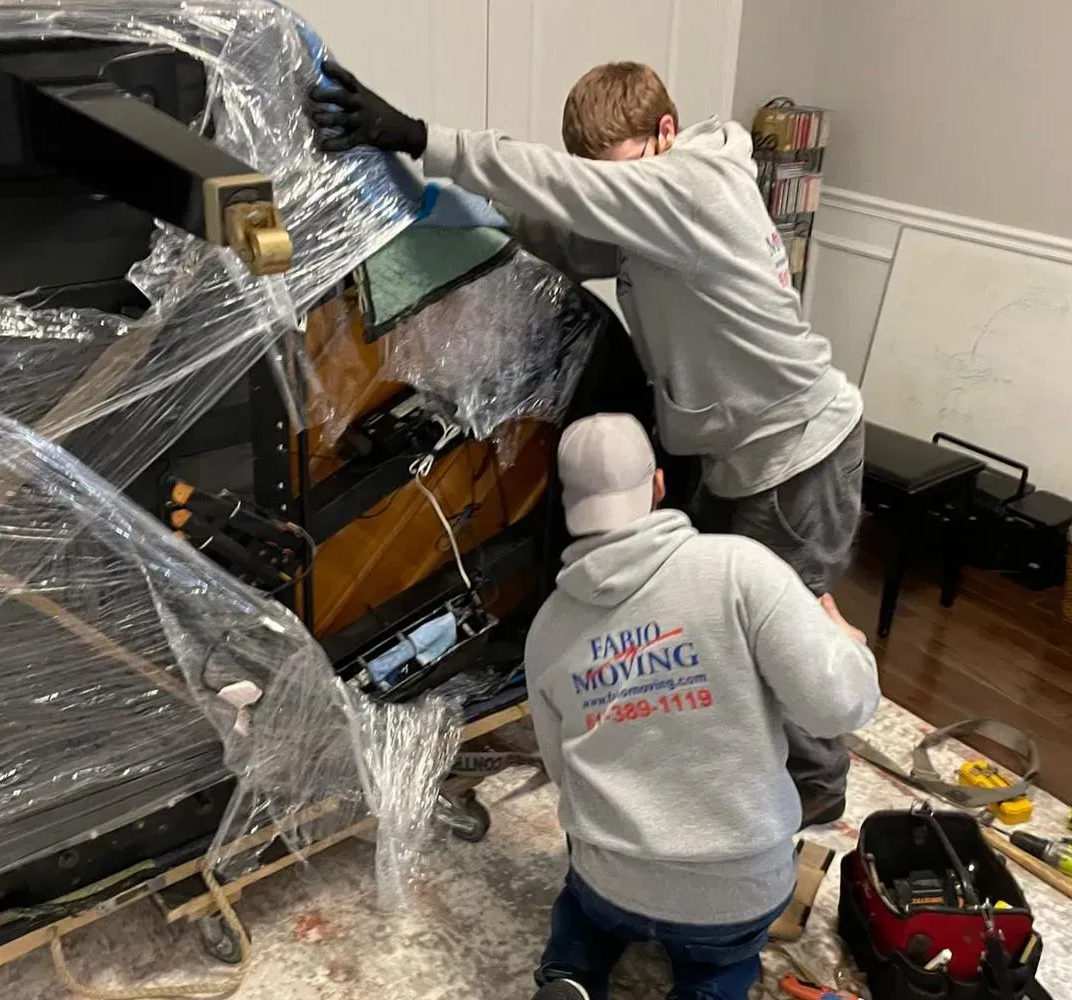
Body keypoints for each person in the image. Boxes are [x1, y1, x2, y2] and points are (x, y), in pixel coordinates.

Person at [309, 61, 867, 824]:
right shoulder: (661, 208)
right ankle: (728, 763)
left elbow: (573, 192)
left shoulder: (697, 187)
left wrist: (416, 138)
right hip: (738, 452)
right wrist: (465, 212)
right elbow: (575, 240)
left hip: (797, 451)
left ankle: (810, 814)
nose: (609, 192)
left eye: (615, 175)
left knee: (786, 634)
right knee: (714, 618)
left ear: (665, 133)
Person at [516, 413, 878, 1000]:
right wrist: (849, 648)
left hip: (612, 879)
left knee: (584, 914)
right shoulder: (740, 568)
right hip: (735, 890)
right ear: (659, 486)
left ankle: (569, 976)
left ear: (568, 506)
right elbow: (839, 708)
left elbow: (562, 772)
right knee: (719, 970)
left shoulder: (549, 627)